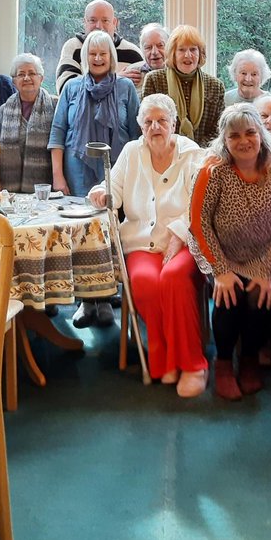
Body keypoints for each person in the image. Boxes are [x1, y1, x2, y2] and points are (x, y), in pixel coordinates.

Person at [88, 94, 208, 396]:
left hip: (182, 240)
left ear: (174, 124)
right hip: (141, 241)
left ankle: (193, 365)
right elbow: (112, 185)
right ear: (141, 125)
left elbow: (199, 201)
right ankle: (165, 358)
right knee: (143, 281)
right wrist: (101, 191)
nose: (155, 127)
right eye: (148, 122)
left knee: (174, 277)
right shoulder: (131, 151)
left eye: (162, 121)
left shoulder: (190, 153)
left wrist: (179, 233)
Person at [190, 103, 271, 401]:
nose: (243, 141)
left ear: (262, 134)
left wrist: (268, 270)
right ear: (224, 141)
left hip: (264, 254)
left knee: (259, 293)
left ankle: (250, 359)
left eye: (250, 133)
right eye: (234, 135)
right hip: (219, 252)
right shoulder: (213, 170)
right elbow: (199, 223)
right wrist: (221, 270)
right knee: (230, 294)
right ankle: (224, 362)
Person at [49, 30, 140, 328]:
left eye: (103, 53)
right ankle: (87, 303)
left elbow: (136, 135)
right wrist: (58, 176)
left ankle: (108, 295)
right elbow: (58, 133)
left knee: (111, 231)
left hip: (116, 169)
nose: (98, 58)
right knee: (83, 232)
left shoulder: (126, 88)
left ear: (111, 57)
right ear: (85, 57)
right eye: (92, 53)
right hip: (77, 169)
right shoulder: (72, 88)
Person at [140, 25, 226, 146]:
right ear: (172, 53)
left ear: (200, 53)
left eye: (193, 49)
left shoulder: (215, 86)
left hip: (202, 155)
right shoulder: (154, 80)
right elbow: (147, 122)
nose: (188, 55)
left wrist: (193, 151)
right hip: (164, 151)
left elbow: (219, 129)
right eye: (181, 50)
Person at [0, 54, 58, 193]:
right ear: (14, 81)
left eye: (32, 73)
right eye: (21, 74)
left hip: (47, 190)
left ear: (41, 78)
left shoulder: (56, 106)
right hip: (10, 190)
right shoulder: (3, 111)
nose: (27, 78)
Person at [55, 0, 144, 91]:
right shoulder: (74, 47)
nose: (99, 26)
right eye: (93, 20)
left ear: (114, 23)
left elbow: (143, 94)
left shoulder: (132, 52)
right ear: (85, 22)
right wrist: (115, 81)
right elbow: (65, 88)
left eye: (105, 21)